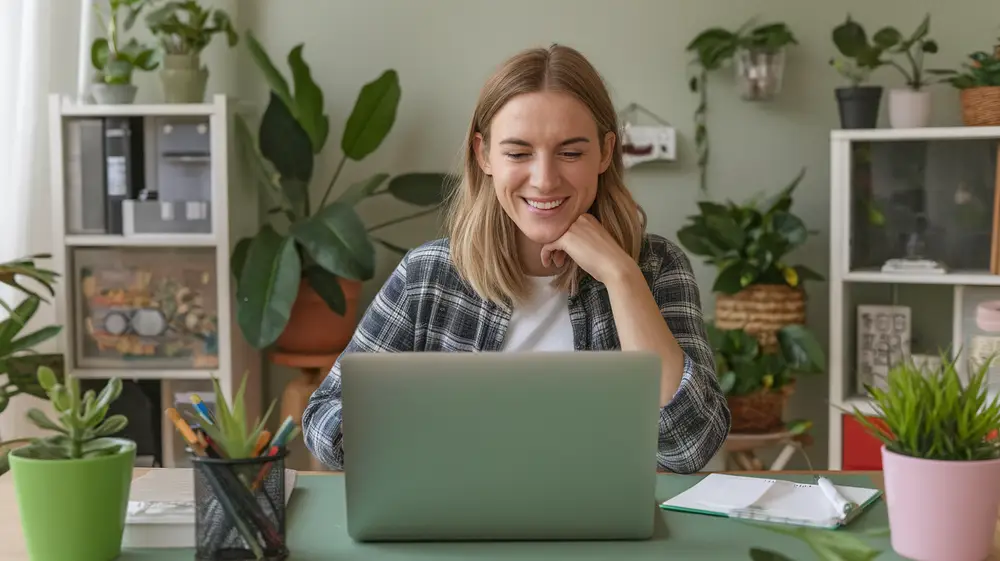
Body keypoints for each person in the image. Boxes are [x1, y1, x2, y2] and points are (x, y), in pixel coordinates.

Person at [302, 43, 731, 474]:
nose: (544, 180)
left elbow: (690, 447)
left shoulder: (656, 268)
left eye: (571, 152)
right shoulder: (427, 276)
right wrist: (429, 425)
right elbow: (325, 420)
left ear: (604, 153)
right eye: (518, 153)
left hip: (600, 535)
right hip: (456, 526)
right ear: (484, 154)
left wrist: (621, 276)